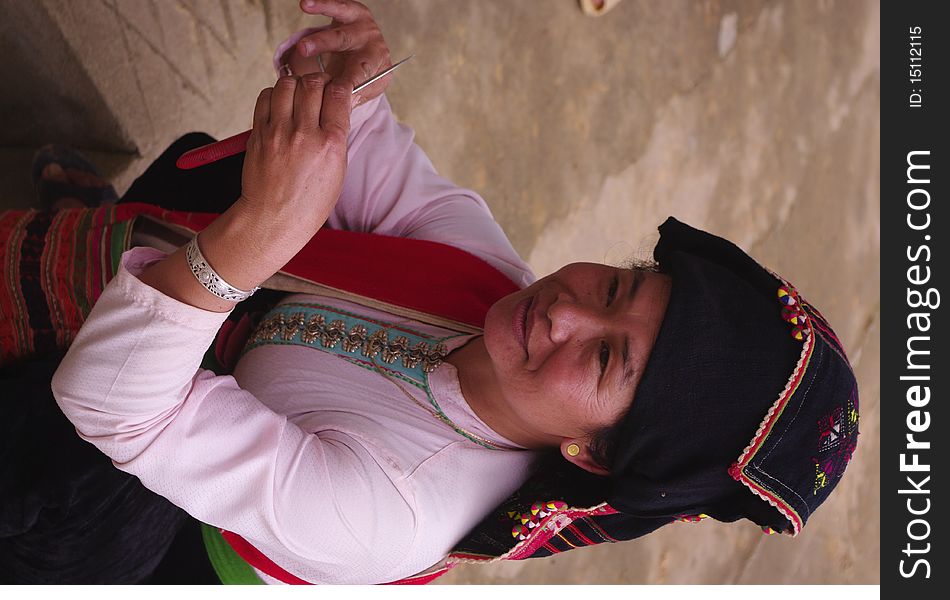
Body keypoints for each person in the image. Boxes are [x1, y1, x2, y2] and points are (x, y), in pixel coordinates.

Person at [1, 0, 858, 585]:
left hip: (143, 526)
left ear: (592, 456)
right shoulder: (488, 282)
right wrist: (346, 75)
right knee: (220, 166)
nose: (562, 307)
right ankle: (109, 238)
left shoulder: (394, 510)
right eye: (619, 283)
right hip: (220, 363)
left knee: (75, 442)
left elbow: (113, 409)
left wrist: (256, 235)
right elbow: (369, 147)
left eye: (604, 357)